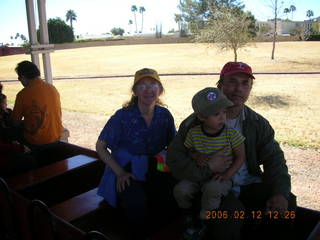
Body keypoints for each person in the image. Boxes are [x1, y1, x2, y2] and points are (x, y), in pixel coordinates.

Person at [167, 62, 296, 240]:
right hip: (211, 185)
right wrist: (207, 168)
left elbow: (275, 159)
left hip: (248, 182)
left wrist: (280, 192)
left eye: (245, 84)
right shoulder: (195, 122)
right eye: (232, 82)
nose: (238, 89)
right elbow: (174, 159)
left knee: (287, 204)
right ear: (219, 86)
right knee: (231, 217)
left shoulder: (257, 122)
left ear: (250, 89)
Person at [96, 68, 177, 240]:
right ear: (135, 91)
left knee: (168, 197)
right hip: (125, 169)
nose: (148, 90)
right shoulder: (122, 116)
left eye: (153, 85)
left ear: (160, 90)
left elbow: (174, 143)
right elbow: (100, 146)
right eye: (142, 85)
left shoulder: (164, 116)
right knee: (136, 203)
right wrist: (119, 172)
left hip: (154, 166)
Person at [173, 87, 246, 239]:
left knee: (212, 189)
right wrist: (196, 155)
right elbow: (188, 149)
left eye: (224, 112)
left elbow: (240, 157)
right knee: (181, 189)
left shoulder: (231, 134)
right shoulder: (193, 132)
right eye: (216, 114)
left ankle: (204, 220)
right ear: (201, 116)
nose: (222, 118)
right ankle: (188, 216)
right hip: (197, 175)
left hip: (220, 177)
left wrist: (227, 175)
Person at [11, 61, 65, 164]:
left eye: (19, 79)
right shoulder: (52, 88)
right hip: (56, 137)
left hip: (37, 143)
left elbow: (15, 122)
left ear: (22, 77)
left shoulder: (23, 94)